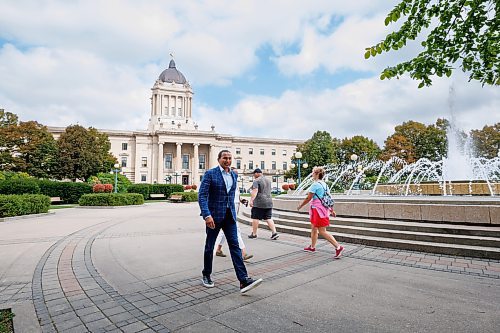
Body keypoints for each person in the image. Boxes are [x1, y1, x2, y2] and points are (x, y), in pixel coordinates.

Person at [198, 150, 262, 293]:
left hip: (230, 217)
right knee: (210, 247)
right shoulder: (210, 174)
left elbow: (231, 196)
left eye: (229, 158)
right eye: (224, 158)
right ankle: (206, 274)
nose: (227, 160)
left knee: (235, 247)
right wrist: (207, 215)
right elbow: (202, 195)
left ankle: (243, 280)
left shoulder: (233, 175)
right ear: (219, 159)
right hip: (213, 217)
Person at [296, 166, 344, 259]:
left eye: (313, 173)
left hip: (318, 210)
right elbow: (328, 198)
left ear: (317, 174)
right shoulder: (325, 184)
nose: (312, 174)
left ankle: (338, 247)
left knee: (322, 231)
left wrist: (300, 205)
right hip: (322, 209)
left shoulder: (315, 185)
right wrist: (331, 209)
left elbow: (308, 198)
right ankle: (312, 247)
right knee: (314, 228)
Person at [215, 167, 253, 261]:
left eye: (237, 174)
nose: (236, 176)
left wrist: (241, 200)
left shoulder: (235, 183)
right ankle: (243, 253)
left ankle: (218, 249)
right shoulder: (227, 182)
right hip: (227, 210)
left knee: (225, 230)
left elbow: (236, 195)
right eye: (235, 173)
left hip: (235, 209)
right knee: (236, 230)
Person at [248, 168, 279, 240]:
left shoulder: (256, 180)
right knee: (268, 218)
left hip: (259, 202)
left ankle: (254, 234)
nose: (253, 176)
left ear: (256, 173)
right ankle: (274, 233)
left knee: (255, 217)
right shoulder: (268, 180)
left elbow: (255, 191)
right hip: (269, 201)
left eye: (254, 174)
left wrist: (251, 200)